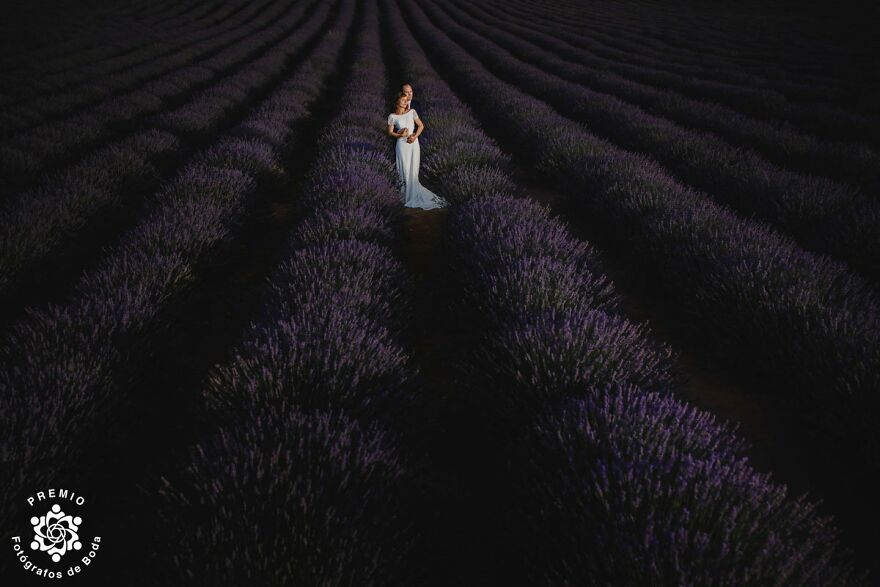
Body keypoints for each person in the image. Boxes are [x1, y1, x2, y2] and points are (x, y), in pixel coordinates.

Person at [387, 92, 447, 210]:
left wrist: (414, 136)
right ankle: (404, 194)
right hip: (401, 145)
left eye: (406, 100)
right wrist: (399, 134)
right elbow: (390, 132)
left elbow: (421, 126)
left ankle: (413, 192)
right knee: (403, 168)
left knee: (413, 170)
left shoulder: (412, 112)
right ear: (397, 101)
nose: (405, 102)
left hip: (413, 144)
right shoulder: (392, 116)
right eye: (403, 100)